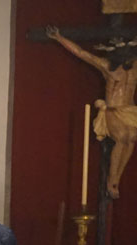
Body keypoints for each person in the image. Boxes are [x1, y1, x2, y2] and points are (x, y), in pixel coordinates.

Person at [47, 26, 137, 199]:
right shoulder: (107, 67)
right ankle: (112, 180)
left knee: (132, 138)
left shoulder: (134, 68)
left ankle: (117, 177)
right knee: (122, 137)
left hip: (130, 111)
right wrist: (59, 37)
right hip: (112, 110)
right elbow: (82, 53)